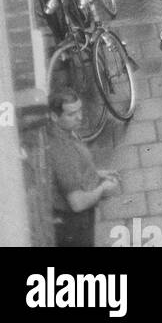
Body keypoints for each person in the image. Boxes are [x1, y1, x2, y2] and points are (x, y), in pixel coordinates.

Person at [48, 89, 121, 247]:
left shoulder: (64, 132)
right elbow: (78, 203)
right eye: (71, 114)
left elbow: (73, 170)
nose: (79, 117)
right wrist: (102, 189)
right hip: (75, 227)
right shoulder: (62, 151)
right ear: (54, 117)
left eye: (80, 110)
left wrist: (96, 174)